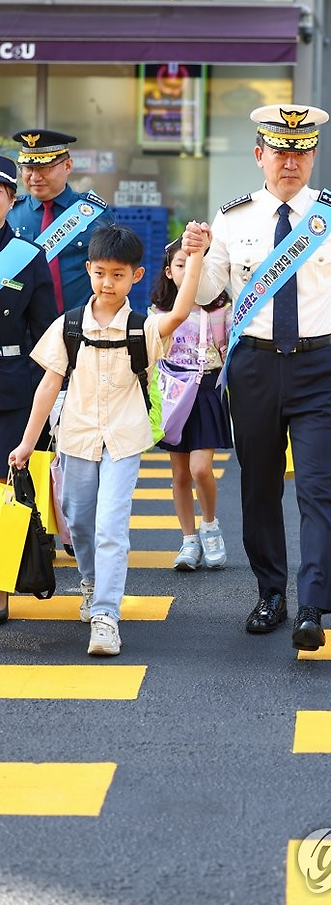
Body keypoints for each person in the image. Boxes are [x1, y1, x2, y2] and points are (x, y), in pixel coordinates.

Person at [182, 103, 331, 652]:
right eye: (280, 151)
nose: (290, 161)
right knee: (260, 487)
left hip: (319, 366)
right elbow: (204, 295)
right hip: (255, 367)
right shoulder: (232, 219)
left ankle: (312, 605)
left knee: (318, 489)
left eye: (301, 151)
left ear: (313, 156)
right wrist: (194, 257)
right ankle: (271, 592)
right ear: (259, 155)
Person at [8, 224, 205, 657]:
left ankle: (105, 616)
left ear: (136, 276)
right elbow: (48, 385)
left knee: (111, 527)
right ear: (89, 271)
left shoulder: (142, 328)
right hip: (76, 438)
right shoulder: (69, 325)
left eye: (118, 274)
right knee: (77, 521)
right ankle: (91, 581)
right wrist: (26, 443)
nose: (107, 283)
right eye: (99, 273)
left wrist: (195, 258)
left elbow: (180, 311)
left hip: (123, 440)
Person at [150, 237, 233, 572]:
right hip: (173, 393)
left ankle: (210, 526)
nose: (189, 270)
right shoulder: (158, 313)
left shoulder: (219, 310)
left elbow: (229, 353)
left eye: (196, 263)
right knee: (180, 473)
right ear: (169, 272)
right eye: (181, 264)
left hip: (207, 390)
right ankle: (188, 540)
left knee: (201, 468)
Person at [0, 156, 58, 625]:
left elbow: (44, 332)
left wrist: (50, 393)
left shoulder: (26, 255)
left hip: (10, 388)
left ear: (10, 199)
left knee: (4, 491)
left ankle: (0, 590)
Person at [8, 129, 116, 314]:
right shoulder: (10, 212)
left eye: (44, 168)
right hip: (24, 330)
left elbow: (113, 271)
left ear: (68, 166)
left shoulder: (94, 213)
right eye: (28, 168)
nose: (35, 177)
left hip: (80, 327)